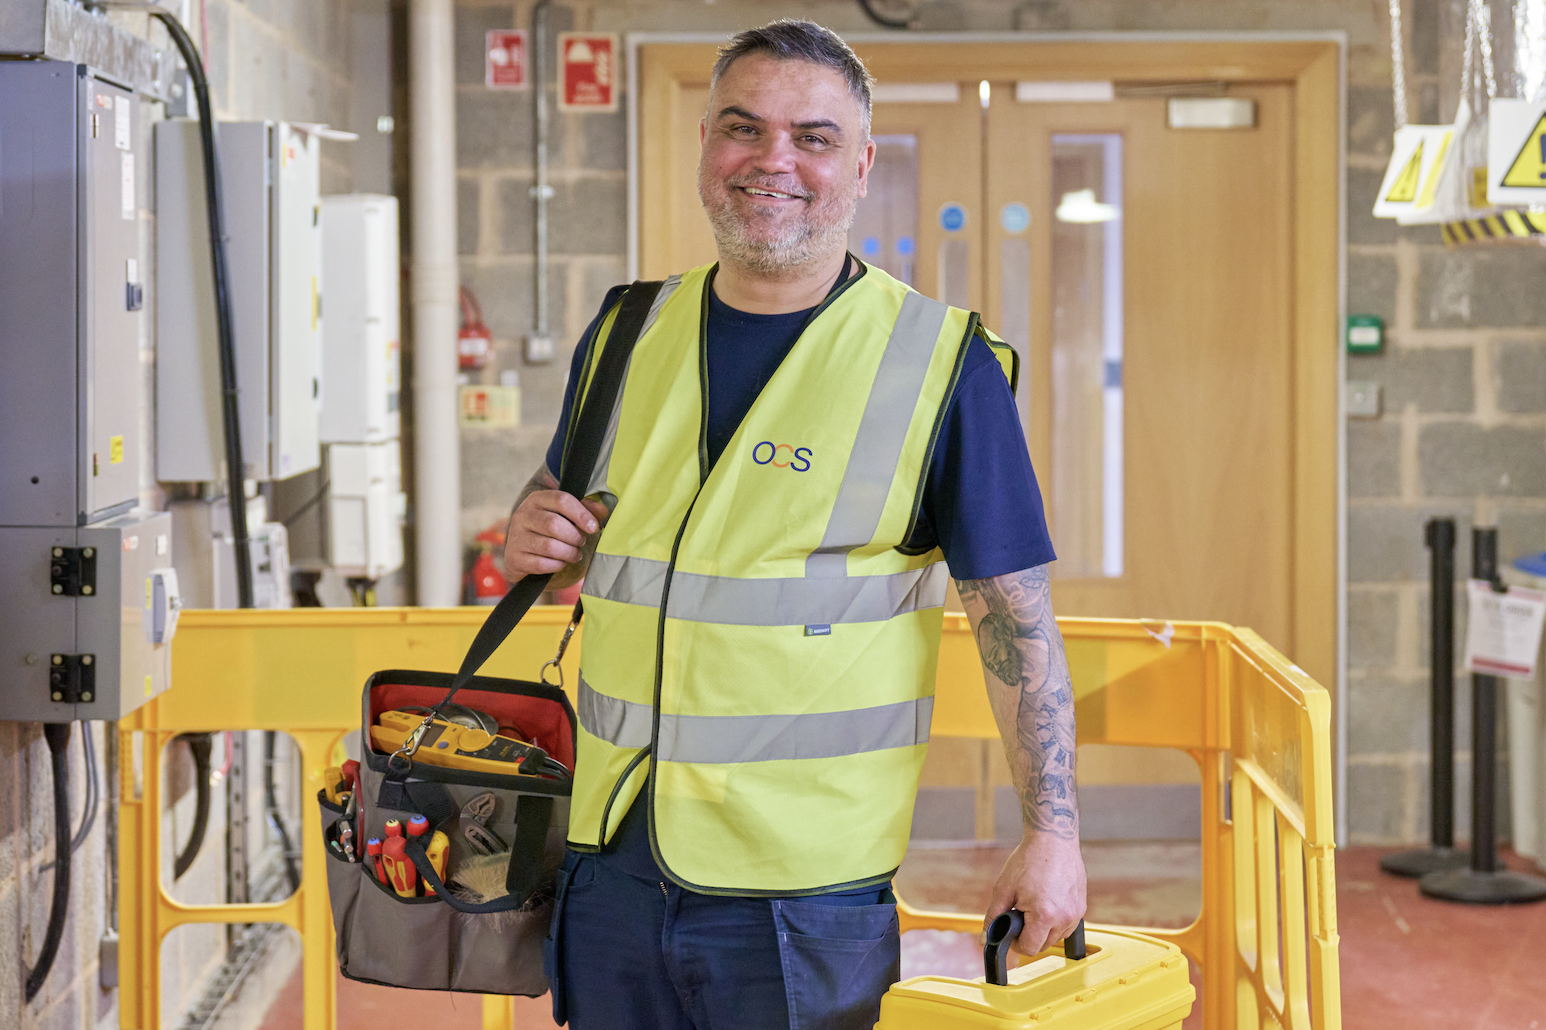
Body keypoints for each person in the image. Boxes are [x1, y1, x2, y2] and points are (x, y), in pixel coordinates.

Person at [500, 19, 1085, 1029]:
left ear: (859, 167)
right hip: (608, 861)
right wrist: (528, 537)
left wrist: (1055, 830)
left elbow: (1014, 619)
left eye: (812, 137)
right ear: (704, 147)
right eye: (744, 127)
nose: (773, 159)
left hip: (800, 887)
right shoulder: (625, 331)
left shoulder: (943, 365)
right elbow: (562, 521)